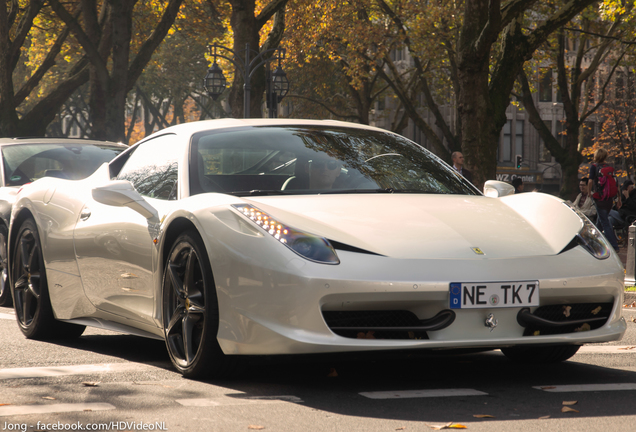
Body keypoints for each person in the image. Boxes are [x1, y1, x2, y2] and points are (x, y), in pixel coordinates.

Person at [588, 148, 619, 251]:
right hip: (609, 199)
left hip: (599, 198)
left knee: (605, 222)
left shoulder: (594, 167)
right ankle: (592, 242)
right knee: (599, 222)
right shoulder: (610, 167)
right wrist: (618, 198)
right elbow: (615, 182)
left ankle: (614, 246)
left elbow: (590, 181)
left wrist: (589, 193)